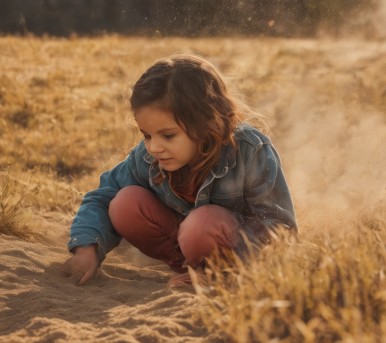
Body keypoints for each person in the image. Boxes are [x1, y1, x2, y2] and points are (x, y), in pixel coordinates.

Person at [64, 54, 297, 286]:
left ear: (206, 122)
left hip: (234, 252)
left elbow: (278, 226)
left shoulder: (250, 150)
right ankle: (188, 267)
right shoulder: (147, 157)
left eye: (168, 135)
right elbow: (103, 196)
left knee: (199, 225)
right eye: (146, 135)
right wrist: (87, 247)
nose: (154, 147)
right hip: (185, 244)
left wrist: (233, 270)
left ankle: (216, 273)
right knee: (123, 203)